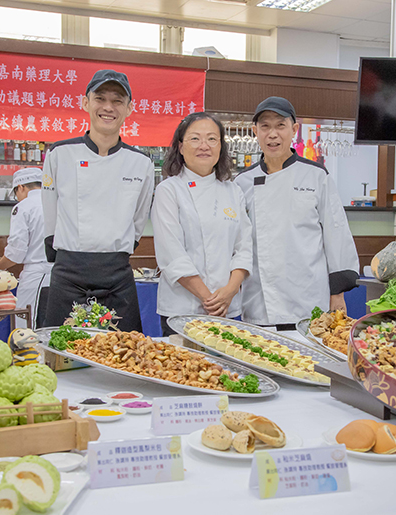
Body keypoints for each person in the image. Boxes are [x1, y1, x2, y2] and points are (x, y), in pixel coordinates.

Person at [42, 69, 154, 331]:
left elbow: (139, 219)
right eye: (100, 98)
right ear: (85, 103)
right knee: (62, 355)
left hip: (118, 276)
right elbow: (51, 212)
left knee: (126, 356)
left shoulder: (141, 163)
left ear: (129, 108)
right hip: (69, 272)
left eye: (117, 100)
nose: (108, 107)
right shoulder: (60, 154)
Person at [235, 97, 360, 329]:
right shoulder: (242, 182)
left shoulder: (316, 175)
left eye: (280, 125)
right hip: (260, 303)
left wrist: (338, 293)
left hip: (308, 298)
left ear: (294, 129)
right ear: (255, 131)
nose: (273, 134)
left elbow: (336, 233)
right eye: (265, 126)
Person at [151, 112, 253, 337]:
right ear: (180, 146)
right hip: (182, 310)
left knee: (226, 372)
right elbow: (172, 255)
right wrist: (210, 300)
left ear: (220, 147)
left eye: (212, 139)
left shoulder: (233, 191)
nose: (203, 145)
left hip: (228, 309)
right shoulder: (169, 190)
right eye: (195, 138)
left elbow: (244, 248)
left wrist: (230, 291)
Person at [0, 168, 51, 328]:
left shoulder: (24, 207)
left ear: (20, 187)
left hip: (37, 276)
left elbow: (16, 253)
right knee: (52, 325)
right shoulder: (56, 202)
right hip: (62, 274)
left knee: (27, 327)